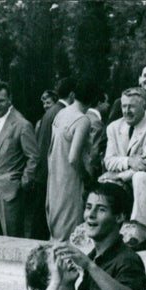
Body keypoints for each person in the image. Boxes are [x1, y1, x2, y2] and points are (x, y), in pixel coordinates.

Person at [100, 87, 146, 251]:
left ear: (144, 107)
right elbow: (108, 161)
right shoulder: (113, 127)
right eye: (124, 106)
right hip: (129, 180)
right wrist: (129, 160)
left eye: (131, 107)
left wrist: (119, 177)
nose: (126, 111)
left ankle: (138, 233)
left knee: (140, 177)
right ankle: (107, 238)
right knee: (104, 185)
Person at [0, 81, 38, 238]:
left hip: (11, 191)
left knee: (12, 239)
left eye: (1, 100)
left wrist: (22, 183)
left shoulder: (22, 125)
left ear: (9, 99)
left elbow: (33, 157)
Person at [47, 79, 93, 241]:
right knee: (70, 231)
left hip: (55, 178)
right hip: (71, 180)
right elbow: (73, 158)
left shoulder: (61, 113)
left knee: (57, 227)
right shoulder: (82, 120)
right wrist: (87, 178)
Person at [30, 77, 75, 240]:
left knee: (40, 219)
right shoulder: (61, 112)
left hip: (43, 172)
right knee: (43, 221)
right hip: (50, 173)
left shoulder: (51, 111)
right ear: (72, 94)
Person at [85, 91, 109, 182]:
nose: (108, 105)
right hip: (90, 170)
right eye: (106, 102)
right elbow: (94, 150)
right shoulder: (96, 122)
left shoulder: (85, 116)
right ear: (99, 103)